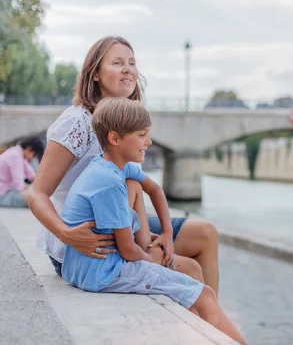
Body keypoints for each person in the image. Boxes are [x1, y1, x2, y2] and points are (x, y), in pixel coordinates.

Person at [29, 36, 220, 295]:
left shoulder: (129, 120)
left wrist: (162, 233)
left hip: (119, 226)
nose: (128, 69)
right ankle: (206, 328)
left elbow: (137, 189)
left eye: (131, 62)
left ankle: (214, 325)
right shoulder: (77, 122)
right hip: (85, 242)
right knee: (187, 268)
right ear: (95, 74)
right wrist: (67, 233)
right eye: (117, 63)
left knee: (206, 233)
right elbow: (37, 193)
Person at [60, 97, 246, 344]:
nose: (148, 142)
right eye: (142, 135)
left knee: (191, 288)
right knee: (205, 295)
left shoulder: (112, 166)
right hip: (103, 273)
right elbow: (127, 251)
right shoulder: (109, 183)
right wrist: (154, 262)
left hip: (88, 267)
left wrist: (167, 234)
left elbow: (155, 190)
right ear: (115, 139)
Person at [0, 136, 45, 208]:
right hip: (3, 195)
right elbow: (18, 185)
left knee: (37, 192)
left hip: (8, 191)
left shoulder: (17, 152)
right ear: (29, 149)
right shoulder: (15, 156)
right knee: (35, 196)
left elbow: (32, 175)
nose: (33, 158)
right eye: (34, 155)